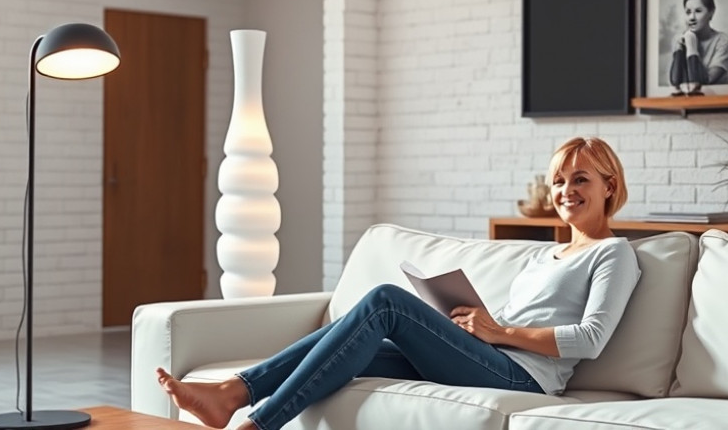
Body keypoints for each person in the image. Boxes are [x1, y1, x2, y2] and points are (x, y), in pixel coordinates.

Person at [156, 137, 642, 430]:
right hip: (496, 356)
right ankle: (233, 391)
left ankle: (256, 420)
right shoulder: (547, 253)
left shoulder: (614, 254)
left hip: (529, 378)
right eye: (559, 182)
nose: (566, 192)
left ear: (609, 187)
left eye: (581, 180)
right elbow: (515, 321)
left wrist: (497, 333)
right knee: (354, 340)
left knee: (386, 302)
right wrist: (475, 323)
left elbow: (591, 339)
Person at [669, 0, 728, 95]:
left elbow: (704, 82)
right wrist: (679, 51)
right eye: (688, 12)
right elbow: (675, 82)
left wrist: (691, 48)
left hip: (716, 102)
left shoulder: (723, 41)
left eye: (698, 11)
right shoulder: (680, 39)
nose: (692, 17)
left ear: (711, 12)